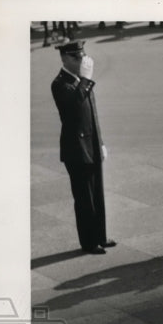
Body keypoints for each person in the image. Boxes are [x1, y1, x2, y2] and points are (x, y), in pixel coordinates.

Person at [51, 40, 115, 254]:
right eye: (76, 58)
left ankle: (101, 236)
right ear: (65, 59)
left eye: (82, 57)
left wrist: (101, 142)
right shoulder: (60, 83)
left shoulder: (80, 81)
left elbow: (92, 116)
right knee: (85, 198)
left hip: (91, 144)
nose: (81, 61)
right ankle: (89, 242)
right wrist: (86, 80)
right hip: (76, 149)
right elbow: (73, 110)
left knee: (97, 194)